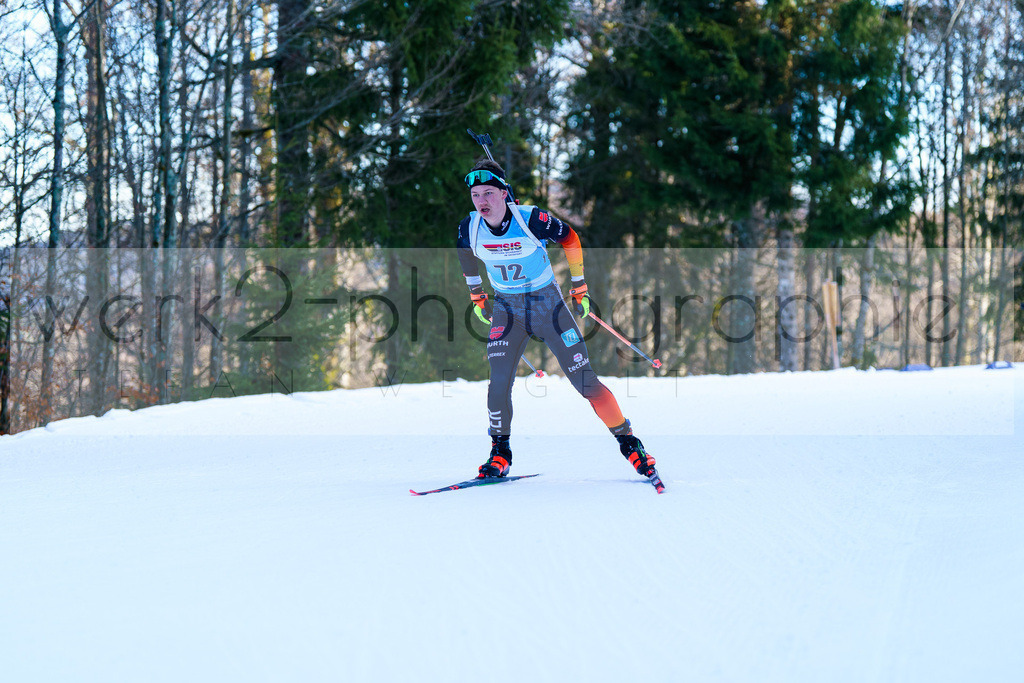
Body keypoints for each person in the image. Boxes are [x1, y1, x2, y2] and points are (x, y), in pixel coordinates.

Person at [456, 158, 657, 481]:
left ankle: (631, 445)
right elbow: (464, 253)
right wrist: (476, 294)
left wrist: (579, 285)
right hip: (508, 311)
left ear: (505, 194)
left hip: (549, 308)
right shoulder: (469, 227)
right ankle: (500, 453)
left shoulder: (530, 220)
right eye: (476, 194)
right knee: (498, 384)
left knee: (586, 382)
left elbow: (570, 238)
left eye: (489, 193)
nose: (482, 201)